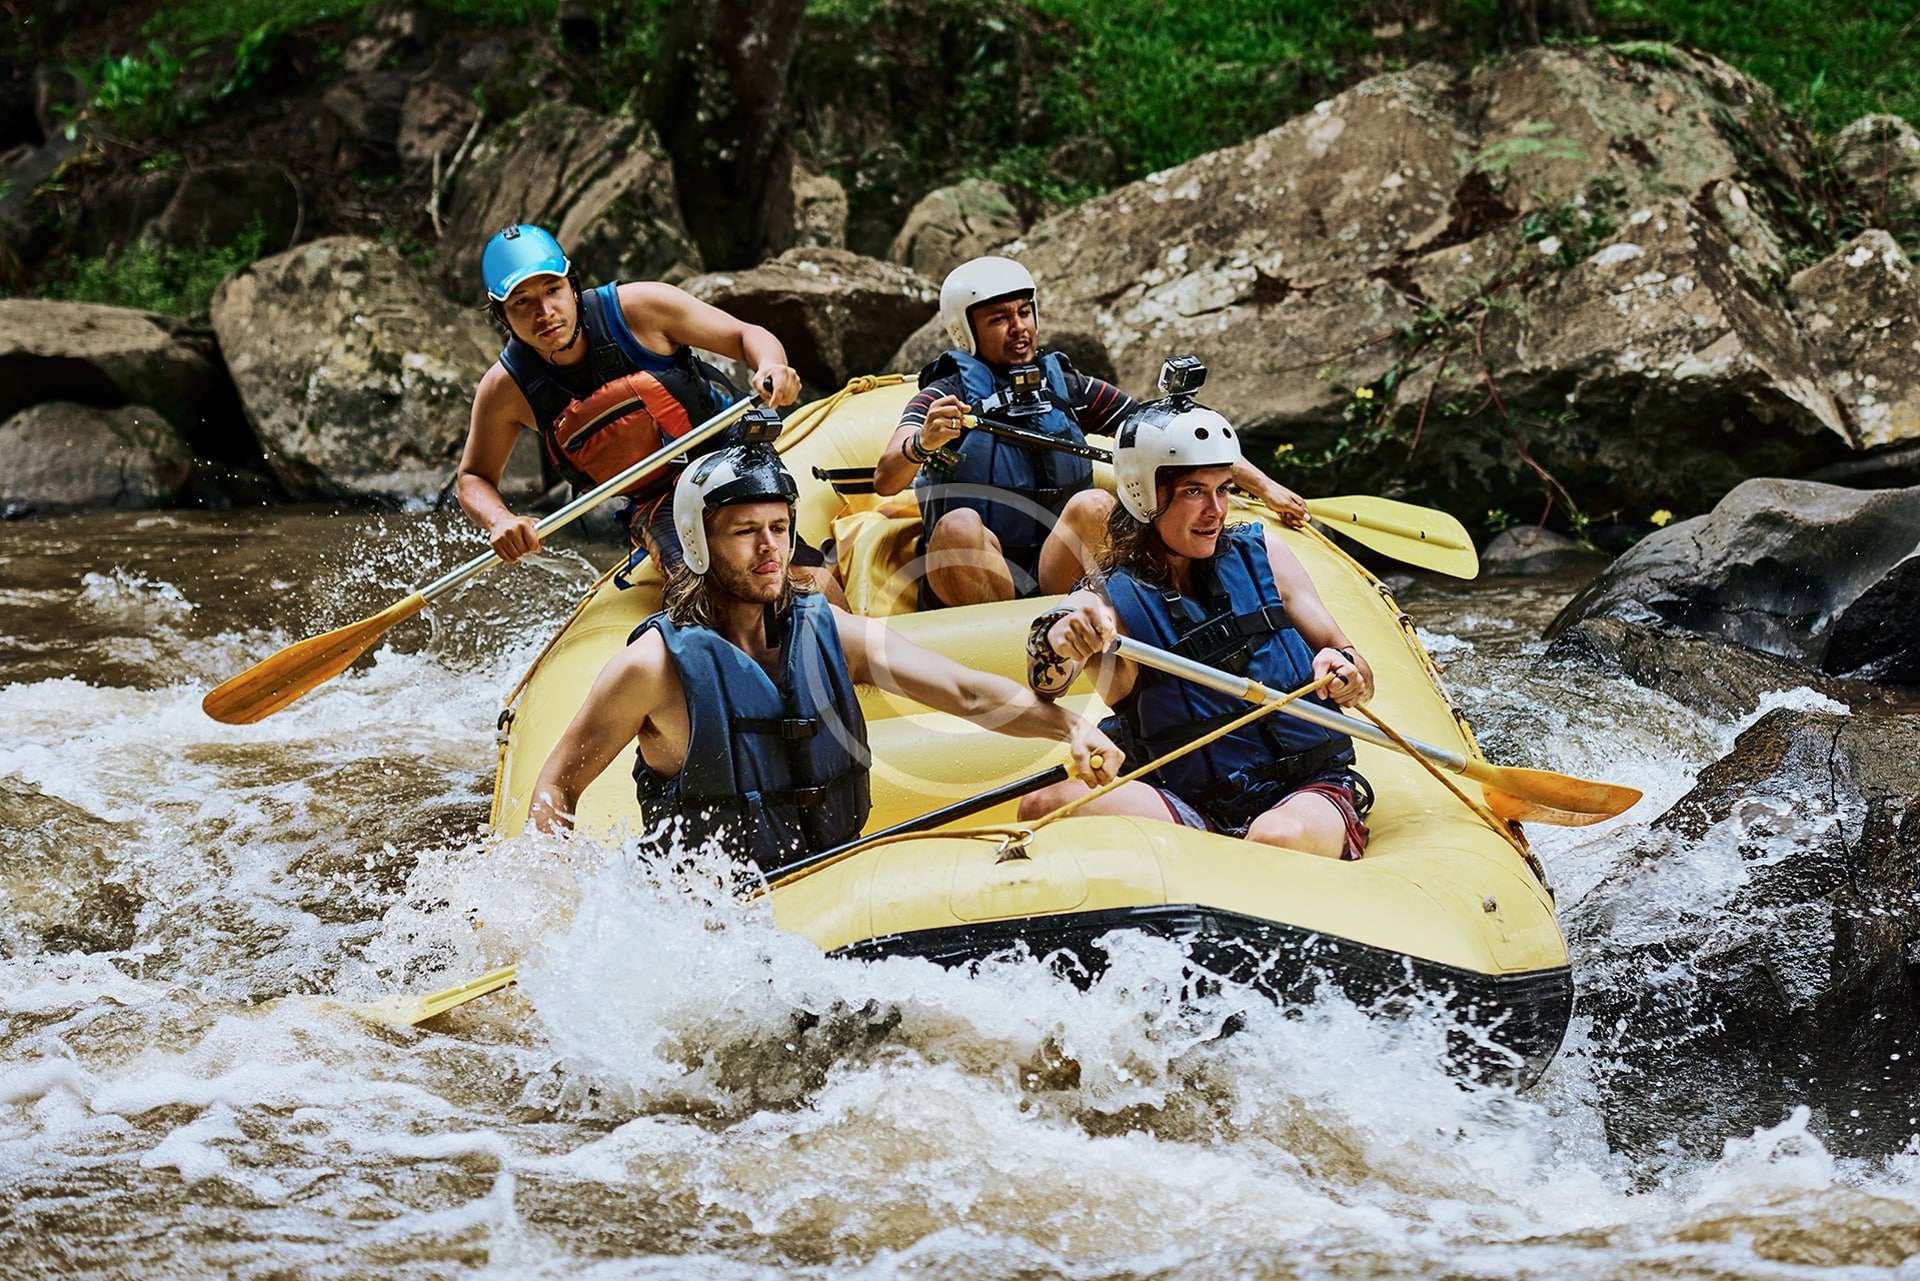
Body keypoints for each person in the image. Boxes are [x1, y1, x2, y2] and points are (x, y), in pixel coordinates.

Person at [531, 444, 1123, 870]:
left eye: (779, 527)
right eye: (744, 531)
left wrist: (1070, 727)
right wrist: (551, 897)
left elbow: (967, 691)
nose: (770, 548)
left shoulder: (830, 631)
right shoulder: (652, 667)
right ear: (698, 542)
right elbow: (557, 785)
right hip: (711, 915)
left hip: (830, 882)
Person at [1015, 385, 1376, 860]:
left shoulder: (1266, 555)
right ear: (1145, 495)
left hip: (1307, 787)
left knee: (1276, 837)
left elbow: (1358, 670)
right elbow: (1048, 674)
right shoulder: (1106, 602)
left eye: (1223, 489)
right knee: (1043, 806)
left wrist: (1347, 671)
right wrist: (1063, 639)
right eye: (1194, 492)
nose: (1216, 510)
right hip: (1191, 804)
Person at [873, 255, 1309, 607]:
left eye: (1024, 312)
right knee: (958, 525)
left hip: (1056, 567)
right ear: (965, 331)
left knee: (1095, 504)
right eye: (999, 319)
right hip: (977, 573)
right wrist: (923, 443)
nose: (1020, 328)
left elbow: (1174, 436)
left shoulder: (1067, 387)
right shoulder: (945, 394)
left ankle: (1079, 622)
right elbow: (886, 480)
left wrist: (1266, 487)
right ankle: (1000, 642)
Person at [455, 223, 840, 601]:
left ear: (572, 286)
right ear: (502, 315)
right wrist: (500, 520)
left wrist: (771, 365)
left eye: (552, 290)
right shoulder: (505, 389)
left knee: (783, 564)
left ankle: (833, 615)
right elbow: (473, 477)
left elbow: (745, 335)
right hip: (654, 501)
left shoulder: (640, 309)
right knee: (702, 596)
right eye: (521, 302)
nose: (544, 312)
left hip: (728, 454)